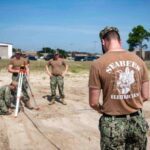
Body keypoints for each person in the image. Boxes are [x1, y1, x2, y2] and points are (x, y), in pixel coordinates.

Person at [89, 27, 150, 149]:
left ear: (103, 41)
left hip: (112, 124)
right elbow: (146, 95)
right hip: (137, 121)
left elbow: (93, 102)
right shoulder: (139, 60)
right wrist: (132, 101)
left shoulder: (98, 64)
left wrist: (103, 109)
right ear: (120, 41)